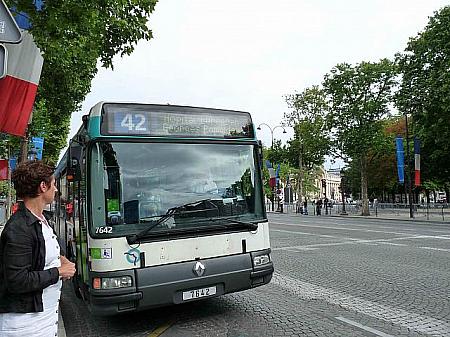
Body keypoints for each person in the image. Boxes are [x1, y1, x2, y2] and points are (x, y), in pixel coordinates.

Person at [0, 161, 76, 337]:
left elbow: (44, 251)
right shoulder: (19, 227)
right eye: (54, 184)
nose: (56, 190)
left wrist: (61, 258)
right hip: (25, 327)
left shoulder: (42, 219)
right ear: (43, 186)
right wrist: (59, 271)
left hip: (44, 321)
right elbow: (17, 280)